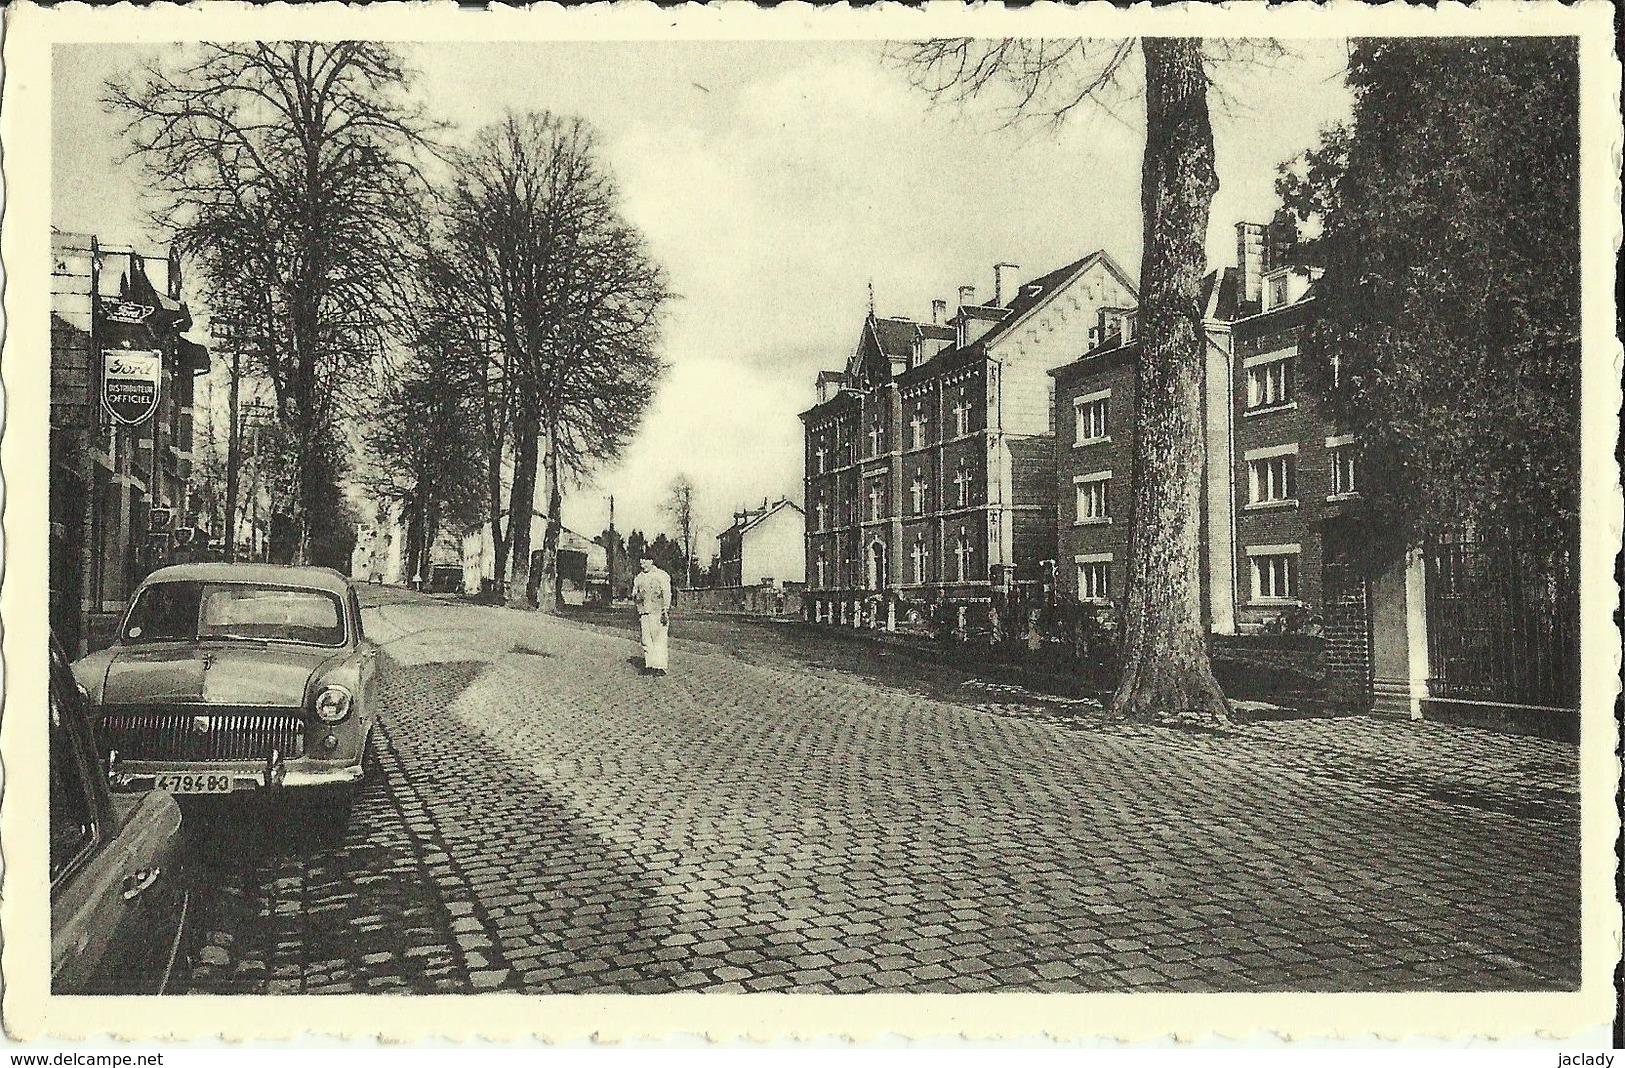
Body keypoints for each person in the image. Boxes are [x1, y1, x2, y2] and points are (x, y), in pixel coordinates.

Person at [631, 553, 672, 676]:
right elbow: (634, 594)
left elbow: (666, 592)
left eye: (645, 559)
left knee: (659, 638)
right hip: (644, 612)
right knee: (646, 639)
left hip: (657, 612)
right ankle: (649, 665)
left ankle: (659, 666)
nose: (642, 562)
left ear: (651, 560)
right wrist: (637, 598)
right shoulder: (638, 578)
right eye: (641, 559)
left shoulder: (661, 575)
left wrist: (665, 609)